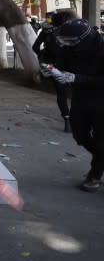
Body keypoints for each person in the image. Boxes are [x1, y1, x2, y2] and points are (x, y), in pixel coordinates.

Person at [43, 18, 104, 192]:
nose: (65, 44)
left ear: (83, 39)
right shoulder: (69, 49)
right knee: (80, 135)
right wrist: (51, 70)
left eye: (69, 41)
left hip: (101, 101)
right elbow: (60, 64)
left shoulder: (101, 48)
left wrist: (77, 78)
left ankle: (95, 175)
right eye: (63, 41)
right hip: (80, 99)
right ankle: (101, 158)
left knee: (101, 140)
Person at [32, 9, 76, 132]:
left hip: (54, 66)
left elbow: (35, 47)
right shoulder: (73, 30)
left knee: (61, 93)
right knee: (78, 93)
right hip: (74, 66)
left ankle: (67, 121)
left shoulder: (46, 31)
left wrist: (43, 56)